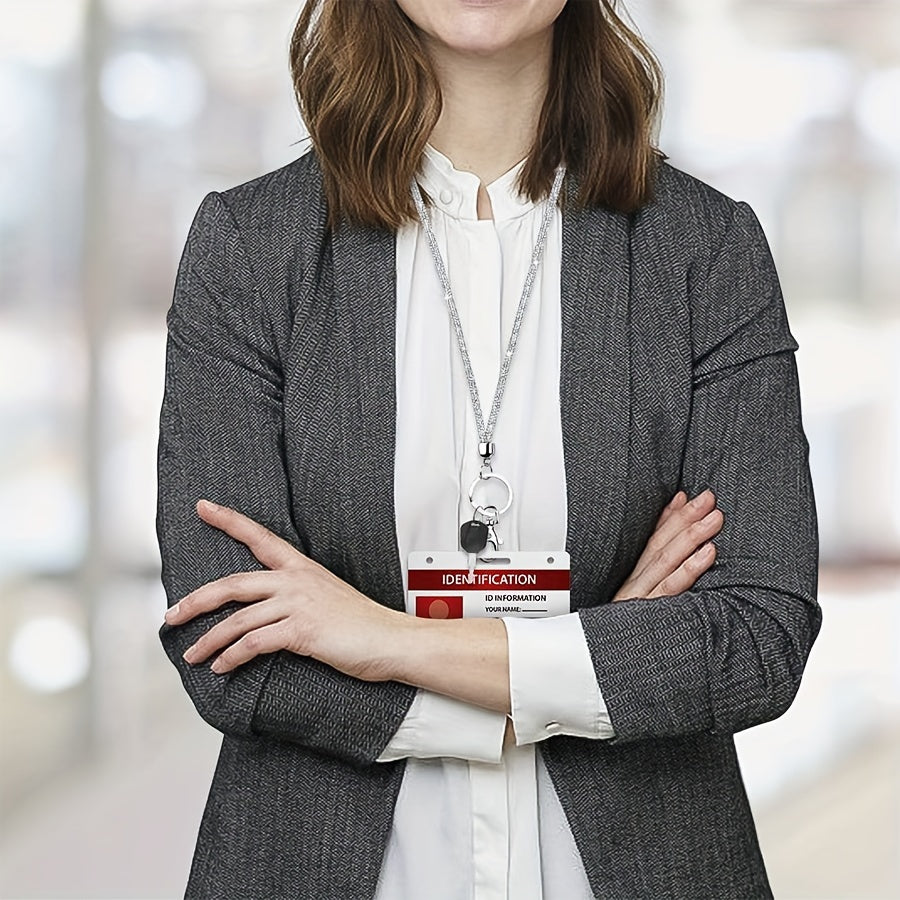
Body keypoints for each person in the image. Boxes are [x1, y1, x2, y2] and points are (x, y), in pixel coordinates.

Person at [156, 1, 821, 898]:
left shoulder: (704, 250)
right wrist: (588, 661)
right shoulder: (251, 250)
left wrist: (382, 640)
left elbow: (757, 639)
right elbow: (229, 648)